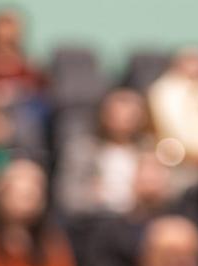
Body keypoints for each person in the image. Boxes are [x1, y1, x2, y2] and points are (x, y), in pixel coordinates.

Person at [78, 153, 175, 266]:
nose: (150, 186)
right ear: (134, 182)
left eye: (156, 179)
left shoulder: (180, 225)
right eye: (145, 179)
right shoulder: (112, 228)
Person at [55, 88, 153, 216]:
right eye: (119, 111)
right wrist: (91, 196)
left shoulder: (149, 148)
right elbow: (68, 195)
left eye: (131, 113)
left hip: (139, 219)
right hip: (96, 221)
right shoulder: (83, 150)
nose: (125, 118)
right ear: (104, 114)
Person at [148, 47, 198, 183]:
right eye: (192, 61)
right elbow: (166, 130)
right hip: (175, 162)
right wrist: (190, 155)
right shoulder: (163, 91)